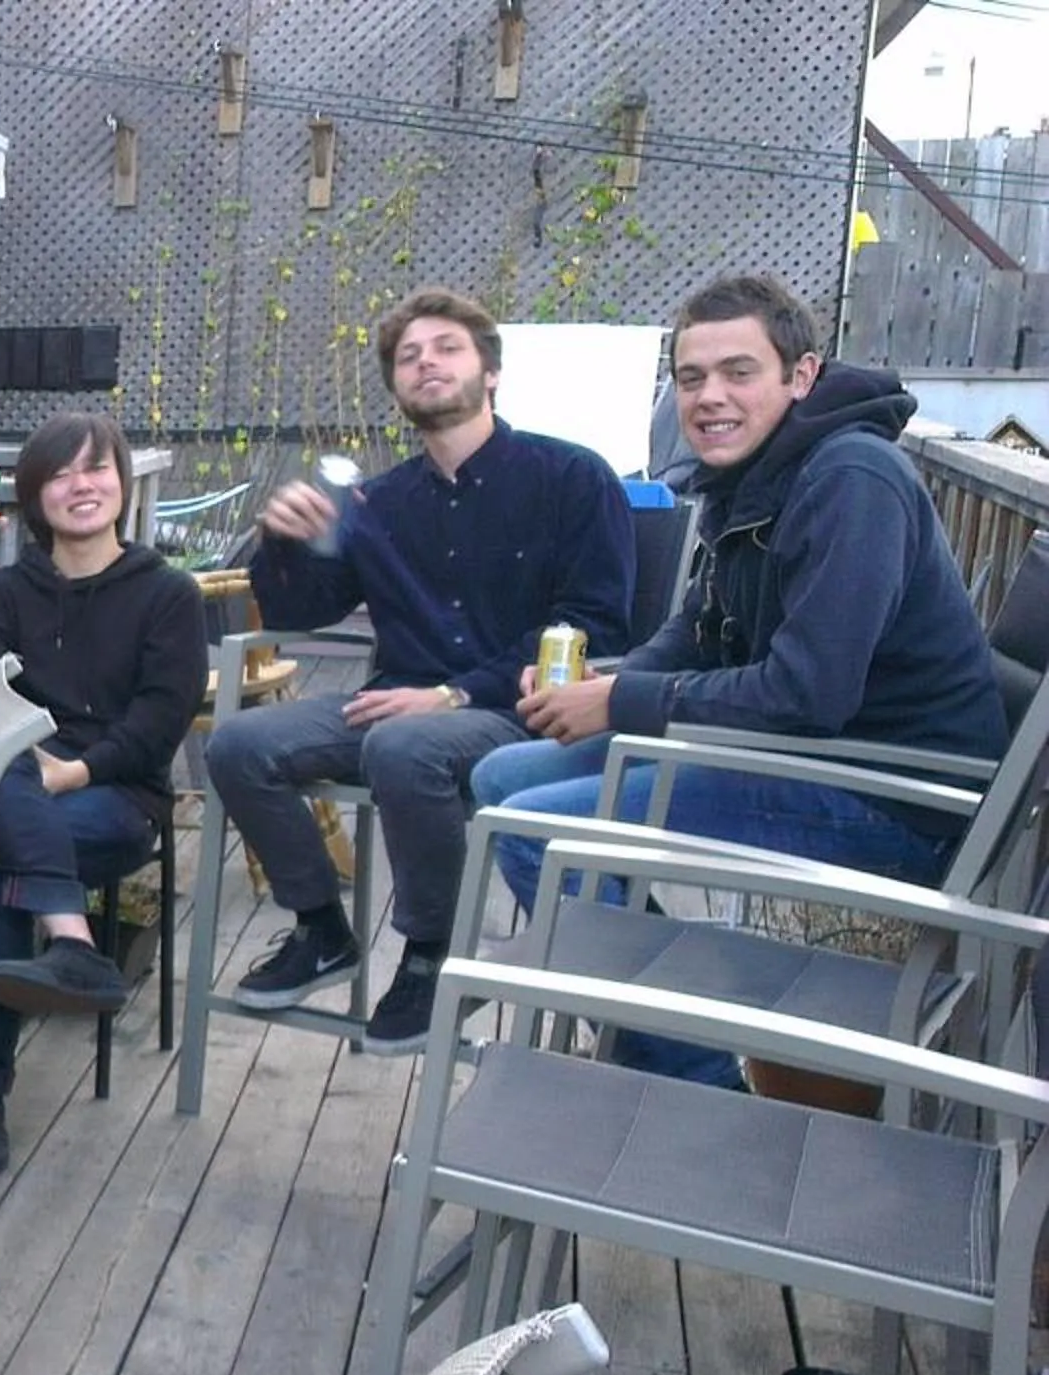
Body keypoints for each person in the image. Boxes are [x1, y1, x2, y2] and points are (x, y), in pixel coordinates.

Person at [472, 274, 1006, 1088]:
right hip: (806, 756)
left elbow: (807, 695)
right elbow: (700, 629)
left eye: (738, 372)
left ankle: (697, 1080)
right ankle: (646, 1002)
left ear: (802, 376)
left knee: (534, 830)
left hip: (885, 795)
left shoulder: (850, 481)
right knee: (501, 773)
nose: (710, 397)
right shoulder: (752, 478)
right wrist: (616, 684)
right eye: (692, 379)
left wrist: (619, 702)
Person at [205, 287, 634, 1055]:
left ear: (491, 372)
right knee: (239, 745)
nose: (426, 363)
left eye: (446, 348)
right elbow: (303, 610)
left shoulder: (572, 476)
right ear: (397, 386)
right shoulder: (380, 500)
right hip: (395, 704)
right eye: (409, 356)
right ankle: (322, 929)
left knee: (405, 749)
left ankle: (435, 955)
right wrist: (284, 543)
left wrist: (455, 693)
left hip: (523, 708)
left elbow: (596, 620)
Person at [0, 412, 201, 1155]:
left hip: (116, 795)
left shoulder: (168, 594)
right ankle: (73, 945)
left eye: (97, 469)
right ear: (30, 495)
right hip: (18, 779)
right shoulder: (11, 591)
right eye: (60, 474)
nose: (81, 486)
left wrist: (74, 771)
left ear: (121, 481)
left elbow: (160, 720)